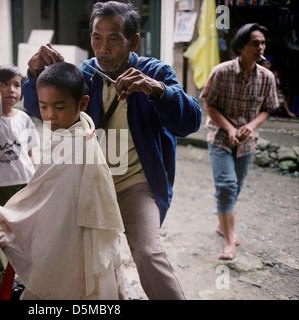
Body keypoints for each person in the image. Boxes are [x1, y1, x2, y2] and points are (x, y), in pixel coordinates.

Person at [23, 1, 202, 300]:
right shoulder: (85, 75)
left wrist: (157, 90)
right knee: (98, 254)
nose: (103, 48)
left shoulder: (155, 71)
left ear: (133, 41)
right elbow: (38, 107)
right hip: (92, 181)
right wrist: (33, 74)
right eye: (96, 37)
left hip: (135, 183)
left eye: (113, 38)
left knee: (147, 252)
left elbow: (191, 121)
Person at [0, 62, 124, 300]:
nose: (50, 115)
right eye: (43, 107)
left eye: (59, 106)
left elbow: (44, 194)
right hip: (67, 225)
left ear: (83, 103)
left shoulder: (77, 143)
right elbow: (44, 187)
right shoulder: (77, 127)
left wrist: (9, 215)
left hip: (69, 230)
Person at [201, 23, 278, 260]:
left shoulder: (266, 77)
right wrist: (230, 128)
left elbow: (268, 108)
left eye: (263, 43)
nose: (260, 47)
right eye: (255, 43)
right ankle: (228, 242)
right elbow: (208, 104)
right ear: (241, 47)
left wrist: (251, 126)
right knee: (226, 185)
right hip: (221, 137)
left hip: (247, 141)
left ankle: (222, 222)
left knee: (237, 185)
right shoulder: (221, 72)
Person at [0, 65, 39, 221]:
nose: (12, 89)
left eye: (16, 85)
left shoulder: (24, 119)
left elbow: (30, 153)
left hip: (25, 182)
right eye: (5, 84)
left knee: (25, 222)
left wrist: (35, 179)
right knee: (2, 224)